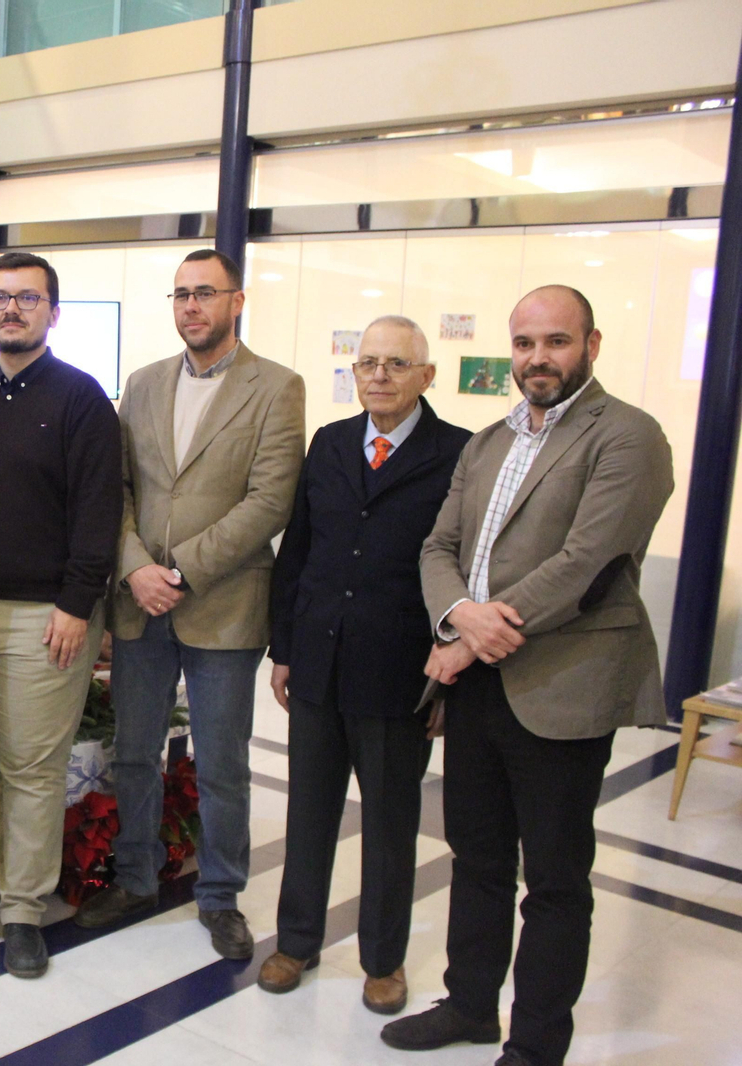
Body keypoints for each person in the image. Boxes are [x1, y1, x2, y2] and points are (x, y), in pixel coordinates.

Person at [381, 286, 673, 1066]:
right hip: (478, 689)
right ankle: (471, 1006)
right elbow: (437, 548)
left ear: (592, 344)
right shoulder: (487, 443)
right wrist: (460, 620)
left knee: (553, 880)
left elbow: (587, 563)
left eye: (556, 342)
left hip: (564, 688)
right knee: (475, 857)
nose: (537, 359)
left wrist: (472, 635)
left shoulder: (629, 438)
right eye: (524, 344)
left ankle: (538, 1045)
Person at [75, 249, 305, 965]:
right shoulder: (142, 385)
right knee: (138, 754)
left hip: (224, 604)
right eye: (180, 294)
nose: (191, 307)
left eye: (205, 293)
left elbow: (271, 499)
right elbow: (114, 490)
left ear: (237, 301)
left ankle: (220, 896)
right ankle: (138, 878)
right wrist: (137, 568)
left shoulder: (276, 387)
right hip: (141, 604)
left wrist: (181, 570)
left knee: (222, 762)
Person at [259, 316, 470, 1012]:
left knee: (388, 825)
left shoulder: (457, 455)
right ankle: (295, 943)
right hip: (318, 663)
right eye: (368, 362)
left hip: (400, 674)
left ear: (426, 376)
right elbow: (299, 552)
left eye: (397, 364)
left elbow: (467, 570)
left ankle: (383, 960)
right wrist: (284, 648)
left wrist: (448, 672)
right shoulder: (330, 444)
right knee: (310, 814)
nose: (379, 374)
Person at [0, 252, 122, 978]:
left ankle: (24, 909)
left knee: (33, 767)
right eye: (1, 298)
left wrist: (78, 604)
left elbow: (99, 509)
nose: (12, 310)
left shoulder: (81, 399)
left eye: (28, 299)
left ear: (52, 312)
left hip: (45, 615)